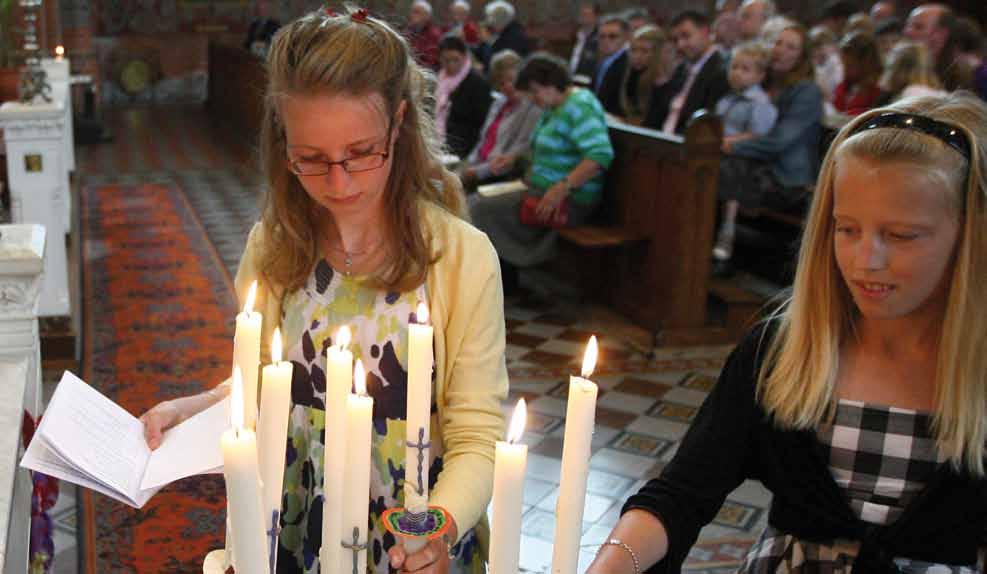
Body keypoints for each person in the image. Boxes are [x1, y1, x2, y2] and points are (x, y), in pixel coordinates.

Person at [140, 7, 508, 574]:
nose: (338, 183)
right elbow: (269, 381)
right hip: (294, 521)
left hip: (409, 531)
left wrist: (436, 527)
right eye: (310, 160)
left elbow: (477, 434)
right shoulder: (275, 245)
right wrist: (192, 408)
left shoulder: (459, 257)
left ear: (400, 124)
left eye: (361, 153)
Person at [588, 90, 987, 573]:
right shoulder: (781, 351)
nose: (866, 260)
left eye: (900, 236)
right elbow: (682, 494)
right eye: (846, 229)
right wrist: (612, 564)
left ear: (970, 238)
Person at [469, 52, 614, 296]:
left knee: (480, 209)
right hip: (537, 187)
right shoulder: (554, 106)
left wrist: (562, 187)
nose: (534, 99)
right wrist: (515, 158)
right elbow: (542, 149)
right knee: (474, 199)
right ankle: (504, 279)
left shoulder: (580, 106)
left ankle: (503, 283)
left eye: (535, 92)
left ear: (550, 84)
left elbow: (599, 156)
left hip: (569, 200)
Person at [711, 22, 823, 266]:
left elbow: (778, 142)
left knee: (718, 171)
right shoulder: (759, 84)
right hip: (756, 167)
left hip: (786, 179)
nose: (780, 50)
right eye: (777, 42)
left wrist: (732, 146)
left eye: (790, 46)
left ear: (802, 57)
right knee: (711, 168)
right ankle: (708, 245)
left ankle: (720, 249)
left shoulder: (807, 92)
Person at [459, 50, 542, 187]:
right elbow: (482, 141)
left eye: (511, 80)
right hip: (476, 166)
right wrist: (469, 164)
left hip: (497, 175)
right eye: (501, 83)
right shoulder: (499, 102)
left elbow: (517, 153)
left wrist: (476, 172)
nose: (507, 87)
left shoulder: (532, 109)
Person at [644, 9, 730, 135]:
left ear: (705, 31)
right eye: (676, 39)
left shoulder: (721, 70)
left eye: (686, 36)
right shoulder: (681, 68)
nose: (680, 45)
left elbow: (705, 123)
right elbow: (660, 112)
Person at [435, 34, 493, 158]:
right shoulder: (439, 78)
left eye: (456, 60)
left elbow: (481, 125)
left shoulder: (478, 83)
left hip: (463, 145)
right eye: (446, 60)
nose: (451, 65)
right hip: (439, 137)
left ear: (465, 57)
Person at [619, 25, 671, 124]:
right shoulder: (630, 75)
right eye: (633, 50)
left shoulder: (662, 85)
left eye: (644, 51)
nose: (637, 56)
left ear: (657, 53)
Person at [877, 41, 945, 105]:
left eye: (890, 67)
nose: (886, 74)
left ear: (902, 70)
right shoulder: (941, 94)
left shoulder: (910, 97)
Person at [833, 30, 883, 116]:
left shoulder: (878, 90)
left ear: (865, 64)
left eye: (849, 65)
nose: (843, 69)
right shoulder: (844, 86)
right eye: (842, 63)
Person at [593, 14, 631, 116]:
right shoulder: (601, 61)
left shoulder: (628, 64)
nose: (606, 41)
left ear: (626, 38)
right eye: (602, 36)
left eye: (612, 36)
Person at [477, 0, 531, 73]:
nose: (489, 23)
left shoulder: (515, 36)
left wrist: (487, 42)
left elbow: (495, 63)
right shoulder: (502, 31)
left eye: (491, 19)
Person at [808, 25, 843, 104]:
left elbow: (833, 97)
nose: (819, 51)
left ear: (834, 46)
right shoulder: (811, 65)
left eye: (826, 44)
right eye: (815, 47)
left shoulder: (836, 63)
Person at [405, 0, 443, 69]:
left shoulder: (434, 34)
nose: (412, 15)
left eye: (417, 12)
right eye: (412, 12)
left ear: (426, 16)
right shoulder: (409, 30)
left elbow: (431, 61)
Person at [570, 2, 600, 79]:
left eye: (588, 15)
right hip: (572, 78)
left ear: (595, 17)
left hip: (587, 80)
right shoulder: (576, 35)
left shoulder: (599, 38)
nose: (585, 18)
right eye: (583, 15)